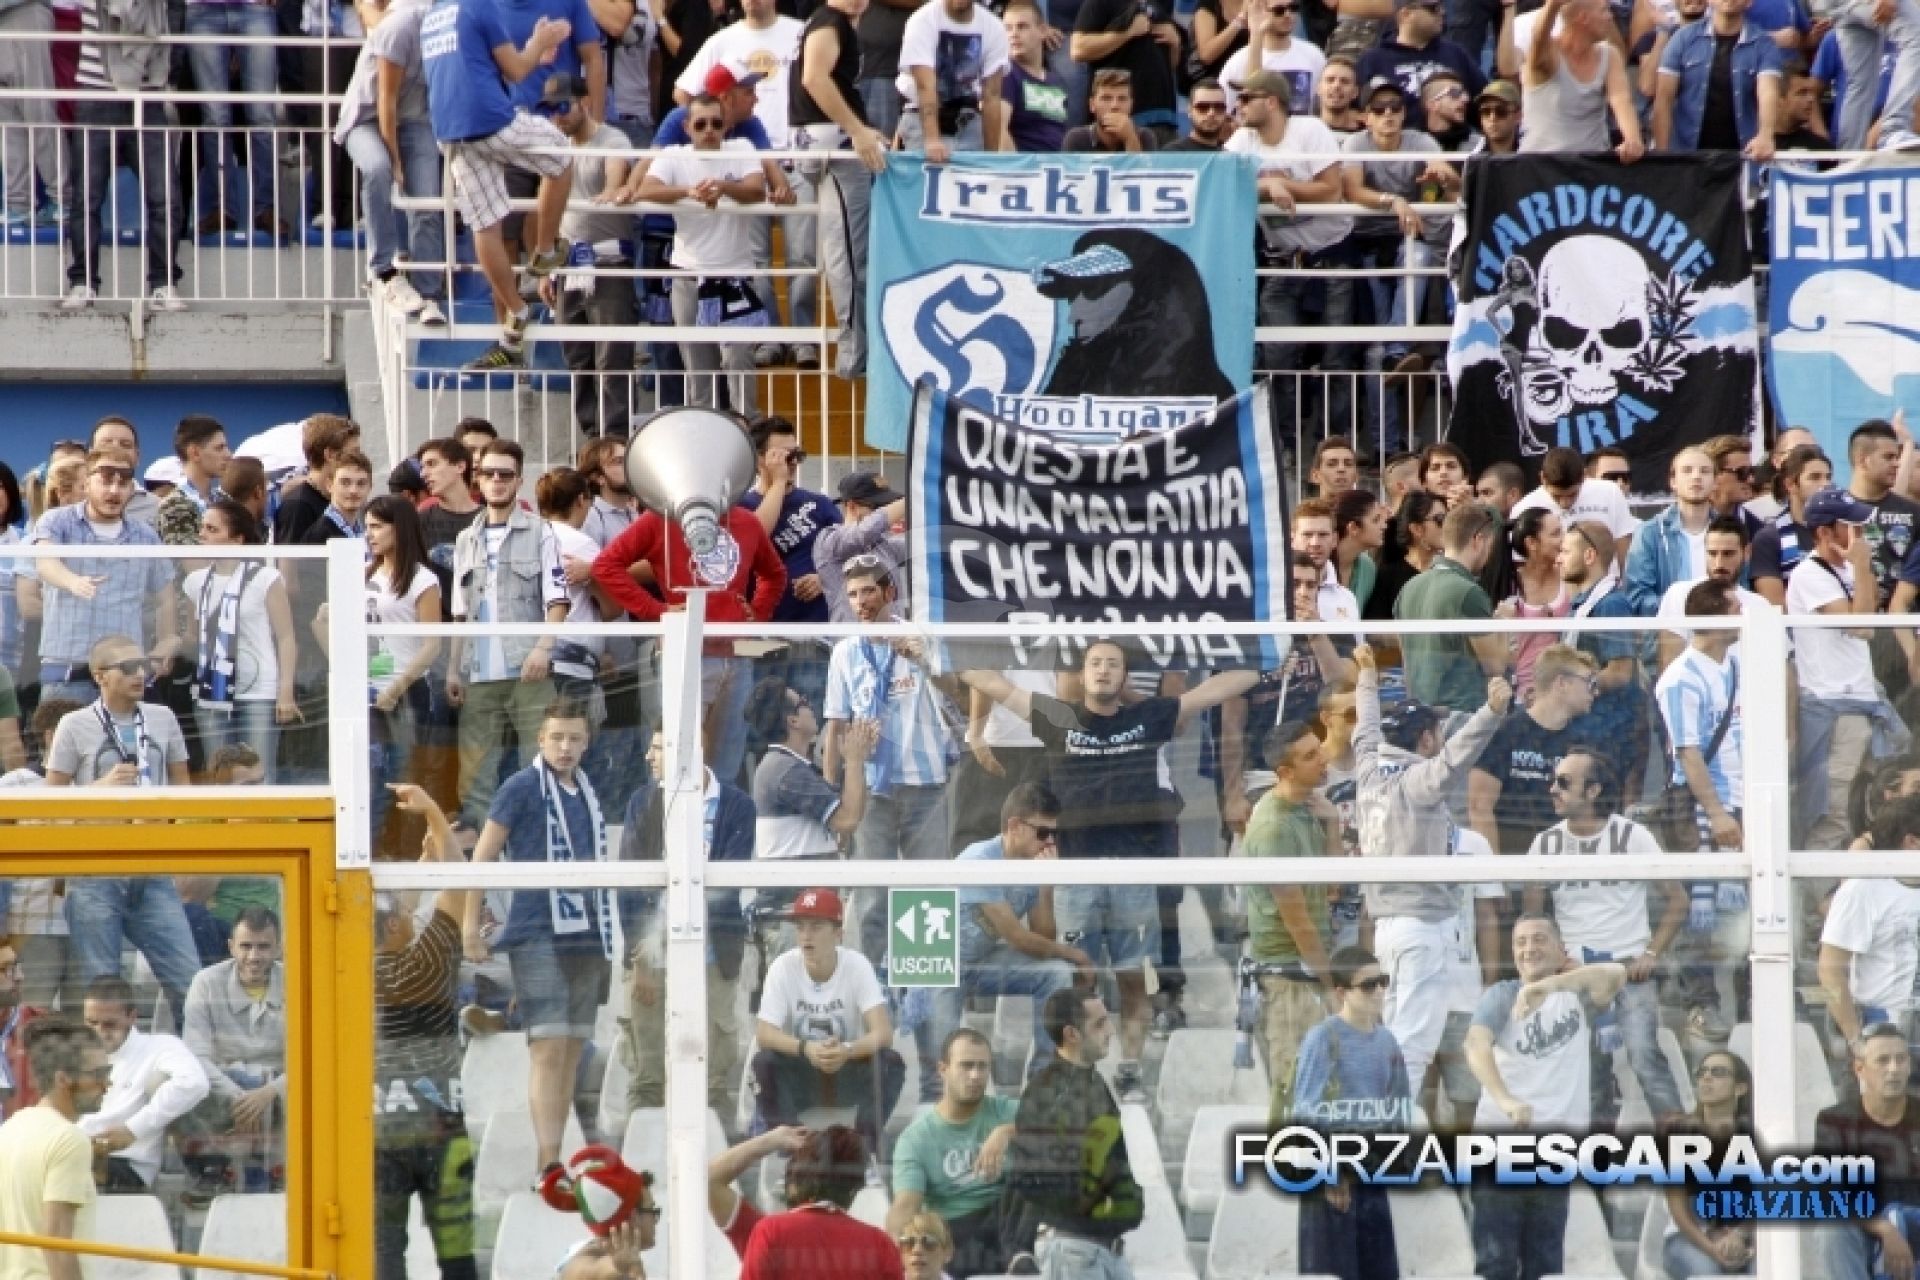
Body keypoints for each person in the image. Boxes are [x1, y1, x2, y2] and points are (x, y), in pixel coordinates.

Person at [957, 646, 1259, 1102]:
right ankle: (1075, 1072)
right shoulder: (1058, 718)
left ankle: (1130, 1072)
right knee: (1075, 983)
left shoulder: (1149, 716)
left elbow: (1219, 688)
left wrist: (1267, 654)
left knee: (1133, 980)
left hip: (1132, 875)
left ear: (1124, 678)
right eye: (1095, 663)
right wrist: (936, 650)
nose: (1103, 670)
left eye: (1113, 664)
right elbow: (993, 682)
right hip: (1075, 875)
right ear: (1081, 674)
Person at [1353, 642, 1512, 1094]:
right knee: (1414, 1045)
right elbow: (1456, 757)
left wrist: (1367, 678)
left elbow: (1365, 730)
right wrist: (1491, 712)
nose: (1440, 739)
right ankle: (1391, 1127)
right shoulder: (1417, 782)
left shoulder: (1368, 772)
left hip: (1388, 931)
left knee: (1395, 1035)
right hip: (1420, 930)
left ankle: (1382, 1119)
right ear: (1424, 739)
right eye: (1436, 731)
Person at [462, 700, 610, 1174]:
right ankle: (548, 1165)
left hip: (587, 933)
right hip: (537, 932)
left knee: (571, 1049)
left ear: (586, 742)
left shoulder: (589, 791)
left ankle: (557, 1158)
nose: (565, 747)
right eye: (556, 738)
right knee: (547, 1047)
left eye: (574, 738)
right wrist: (470, 923)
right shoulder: (521, 786)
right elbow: (483, 855)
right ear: (541, 739)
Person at [1524, 748, 1687, 1127]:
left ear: (1594, 790)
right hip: (1576, 973)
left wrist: (1651, 954)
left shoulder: (1633, 836)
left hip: (1630, 970)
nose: (1553, 789)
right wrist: (1557, 963)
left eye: (1564, 782)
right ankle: (1598, 1156)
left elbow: (1678, 900)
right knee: (1588, 1072)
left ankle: (1682, 1149)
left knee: (1645, 1059)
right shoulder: (1545, 843)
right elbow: (1533, 920)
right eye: (1553, 780)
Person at [592, 480, 785, 788]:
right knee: (675, 756)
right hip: (685, 653)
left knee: (723, 763)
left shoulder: (745, 521)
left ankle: (712, 816)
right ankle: (667, 817)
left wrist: (757, 615)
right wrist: (659, 611)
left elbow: (774, 575)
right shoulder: (660, 519)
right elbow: (605, 566)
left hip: (734, 655)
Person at [1466, 916, 1627, 1280]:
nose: (1528, 949)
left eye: (1539, 939)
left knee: (1545, 1264)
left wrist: (1550, 985)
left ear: (1559, 949)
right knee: (1496, 1265)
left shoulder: (1577, 995)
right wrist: (1506, 1101)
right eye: (1520, 942)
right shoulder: (1502, 994)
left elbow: (1616, 974)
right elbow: (1475, 1045)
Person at [420, 0, 577, 371]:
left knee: (485, 224)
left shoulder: (432, 16)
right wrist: (539, 43)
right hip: (489, 118)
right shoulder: (480, 5)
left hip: (450, 131)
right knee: (562, 156)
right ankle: (545, 250)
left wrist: (533, 53)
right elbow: (517, 71)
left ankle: (516, 314)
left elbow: (476, 70)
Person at [822, 560, 959, 975]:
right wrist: (832, 795)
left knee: (927, 894)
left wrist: (923, 661)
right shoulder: (846, 651)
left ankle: (924, 988)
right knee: (872, 897)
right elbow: (836, 726)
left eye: (868, 591)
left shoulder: (919, 637)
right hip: (870, 790)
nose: (860, 602)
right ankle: (871, 986)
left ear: (889, 592)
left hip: (926, 784)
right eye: (852, 594)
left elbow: (957, 693)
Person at [617, 736, 752, 1119]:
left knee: (713, 1083)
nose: (649, 755)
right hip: (649, 959)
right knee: (647, 1080)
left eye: (659, 747)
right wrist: (642, 958)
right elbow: (630, 886)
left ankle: (717, 1158)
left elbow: (725, 889)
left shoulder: (737, 806)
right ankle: (643, 1158)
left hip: (713, 958)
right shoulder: (644, 801)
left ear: (689, 749)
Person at [373, 784, 477, 1280]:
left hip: (378, 1137)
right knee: (458, 1261)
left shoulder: (350, 975)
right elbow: (457, 884)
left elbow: (397, 915)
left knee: (384, 1259)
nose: (410, 910)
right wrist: (434, 813)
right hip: (443, 1134)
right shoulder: (428, 964)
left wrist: (420, 866)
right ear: (396, 925)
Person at [447, 440, 570, 828]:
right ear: (477, 479)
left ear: (519, 480)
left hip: (527, 669)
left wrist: (543, 649)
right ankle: (483, 853)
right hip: (479, 671)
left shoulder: (541, 532)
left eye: (505, 474)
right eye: (489, 473)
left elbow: (558, 600)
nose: (497, 481)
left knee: (539, 766)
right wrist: (453, 669)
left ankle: (535, 846)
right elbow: (459, 612)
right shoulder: (466, 539)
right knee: (474, 776)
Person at [1227, 68, 1355, 432]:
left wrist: (1286, 185)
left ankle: (1335, 443)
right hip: (1282, 257)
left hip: (1332, 253)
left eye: (1246, 98)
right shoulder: (1242, 138)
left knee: (1336, 355)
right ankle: (1282, 442)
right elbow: (1224, 186)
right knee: (1279, 355)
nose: (1239, 105)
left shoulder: (1310, 130)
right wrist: (1269, 187)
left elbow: (1331, 190)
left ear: (1271, 102)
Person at [931, 783, 1086, 1081]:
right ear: (1014, 826)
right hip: (940, 963)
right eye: (1043, 832)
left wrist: (1045, 884)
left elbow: (1043, 937)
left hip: (981, 961)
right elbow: (1019, 938)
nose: (1049, 842)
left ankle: (1044, 1078)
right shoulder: (979, 860)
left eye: (1054, 834)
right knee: (941, 1067)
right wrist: (1075, 954)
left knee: (1055, 973)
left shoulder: (1030, 864)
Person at [633, 94, 773, 414]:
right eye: (701, 124)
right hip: (688, 274)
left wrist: (723, 188)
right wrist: (688, 192)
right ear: (687, 127)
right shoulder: (674, 156)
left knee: (738, 361)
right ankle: (706, 428)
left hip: (734, 276)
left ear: (726, 127)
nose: (709, 130)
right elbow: (646, 189)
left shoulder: (742, 149)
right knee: (698, 368)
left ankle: (746, 428)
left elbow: (756, 190)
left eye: (716, 123)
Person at [1790, 487, 1908, 849]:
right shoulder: (1808, 574)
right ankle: (1821, 880)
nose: (1862, 533)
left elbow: (1866, 621)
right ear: (1825, 532)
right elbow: (1859, 625)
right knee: (1835, 807)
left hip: (1864, 700)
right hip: (1833, 707)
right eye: (1852, 526)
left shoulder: (1849, 570)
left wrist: (1860, 569)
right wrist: (1861, 566)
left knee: (1870, 802)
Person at [1000, 989, 1143, 1277]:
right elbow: (1030, 1179)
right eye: (1099, 1024)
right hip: (1074, 1250)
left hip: (1104, 1251)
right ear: (1071, 1034)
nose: (1110, 1031)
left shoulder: (1093, 1083)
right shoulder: (1048, 1092)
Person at [1289, 946, 1412, 1280]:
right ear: (1342, 992)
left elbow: (1399, 1107)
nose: (1379, 991)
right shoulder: (1323, 1038)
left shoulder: (1387, 1042)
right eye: (1368, 985)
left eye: (1383, 981)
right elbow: (1305, 1112)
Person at [749, 889, 904, 1153]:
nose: (806, 936)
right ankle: (794, 1143)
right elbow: (765, 1033)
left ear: (838, 933)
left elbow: (883, 1032)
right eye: (800, 927)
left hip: (844, 1071)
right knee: (763, 1063)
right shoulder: (783, 967)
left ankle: (864, 1143)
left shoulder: (856, 965)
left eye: (816, 926)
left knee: (890, 1062)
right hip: (803, 1072)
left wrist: (847, 1050)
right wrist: (806, 1048)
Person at [1242, 720, 1338, 1121]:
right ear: (1285, 771)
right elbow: (1297, 921)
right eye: (1310, 756)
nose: (1324, 759)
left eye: (1320, 748)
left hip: (1307, 967)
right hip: (1288, 977)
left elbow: (1333, 889)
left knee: (1322, 1090)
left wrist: (1333, 822)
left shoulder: (1305, 808)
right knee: (1295, 1088)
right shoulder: (1274, 827)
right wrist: (1331, 985)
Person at [31, 448, 178, 707]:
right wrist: (73, 581)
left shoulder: (145, 535)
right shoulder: (57, 521)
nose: (114, 491)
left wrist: (167, 640)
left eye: (123, 483)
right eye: (106, 481)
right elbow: (46, 563)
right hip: (68, 673)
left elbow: (166, 595)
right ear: (86, 483)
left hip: (125, 674)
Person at [61, 0, 181, 314]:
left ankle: (163, 283)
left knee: (165, 197)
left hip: (148, 95)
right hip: (96, 91)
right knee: (86, 197)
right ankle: (83, 282)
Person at [535, 73, 637, 441]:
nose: (557, 116)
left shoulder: (613, 139)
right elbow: (546, 210)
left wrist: (612, 189)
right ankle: (593, 439)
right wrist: (546, 267)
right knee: (578, 356)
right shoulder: (556, 147)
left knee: (612, 357)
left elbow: (615, 171)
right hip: (568, 262)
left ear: (586, 103)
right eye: (550, 109)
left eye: (563, 106)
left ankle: (615, 440)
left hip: (609, 263)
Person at [792, 0, 890, 377]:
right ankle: (854, 355)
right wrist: (857, 130)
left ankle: (854, 350)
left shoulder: (828, 21)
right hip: (833, 146)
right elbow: (814, 78)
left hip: (823, 140)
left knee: (844, 250)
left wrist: (863, 129)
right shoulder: (830, 20)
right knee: (850, 255)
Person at [337, 0, 448, 326]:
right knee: (378, 168)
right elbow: (385, 100)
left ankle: (429, 294)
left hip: (415, 120)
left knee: (427, 203)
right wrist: (396, 160)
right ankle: (384, 270)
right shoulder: (401, 25)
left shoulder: (453, 28)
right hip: (367, 118)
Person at [182, 501, 299, 781]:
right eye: (202, 528)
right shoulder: (196, 582)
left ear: (237, 539)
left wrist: (285, 691)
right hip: (212, 689)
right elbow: (193, 636)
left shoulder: (265, 578)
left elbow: (286, 637)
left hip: (258, 690)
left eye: (212, 529)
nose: (202, 535)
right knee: (219, 774)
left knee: (260, 773)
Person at [887, 1028, 1020, 1275]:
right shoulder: (916, 1139)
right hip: (957, 1231)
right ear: (943, 1069)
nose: (975, 1075)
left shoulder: (1007, 1112)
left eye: (982, 1067)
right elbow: (906, 1204)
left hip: (1008, 1220)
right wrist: (895, 1256)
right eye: (966, 1066)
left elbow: (1072, 1126)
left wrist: (1006, 1132)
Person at [178, 907, 288, 1200]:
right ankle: (210, 1172)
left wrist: (270, 1091)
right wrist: (239, 1097)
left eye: (263, 947)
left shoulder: (300, 980)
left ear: (279, 948)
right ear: (231, 946)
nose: (254, 956)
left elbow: (317, 1056)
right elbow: (195, 1056)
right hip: (224, 1087)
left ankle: (288, 1170)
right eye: (246, 946)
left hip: (282, 1088)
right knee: (166, 1081)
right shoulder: (206, 982)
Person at [76, 976, 208, 1191]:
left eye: (109, 1024)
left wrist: (132, 1130)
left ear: (132, 1017)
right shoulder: (75, 1054)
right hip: (75, 1153)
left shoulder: (159, 1047)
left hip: (125, 1163)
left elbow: (194, 1084)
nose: (99, 1031)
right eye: (92, 1023)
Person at [0, 1019, 106, 1280]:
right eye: (99, 1074)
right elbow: (57, 1241)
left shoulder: (10, 1129)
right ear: (62, 1079)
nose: (107, 1084)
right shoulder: (69, 1140)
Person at [1469, 643, 1598, 855]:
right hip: (1512, 858)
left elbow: (1587, 812)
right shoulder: (1506, 732)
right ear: (1562, 683)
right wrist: (1494, 872)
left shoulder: (1582, 744)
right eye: (1589, 682)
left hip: (1560, 861)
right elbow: (1480, 807)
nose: (1595, 691)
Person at [1817, 1024, 1920, 1280]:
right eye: (1883, 1060)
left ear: (1909, 1066)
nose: (1893, 1069)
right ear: (1860, 1069)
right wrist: (1885, 1228)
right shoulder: (1834, 1120)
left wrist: (1901, 1222)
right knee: (1831, 1228)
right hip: (1866, 1225)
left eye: (1900, 1060)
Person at [1817, 795, 1920, 1051]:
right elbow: (1829, 971)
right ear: (1912, 842)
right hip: (1885, 1025)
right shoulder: (1862, 890)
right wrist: (1855, 1039)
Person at [738, 1125, 905, 1277]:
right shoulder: (878, 1243)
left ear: (797, 1178)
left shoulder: (771, 1231)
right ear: (855, 1186)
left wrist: (770, 1140)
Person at [1396, 501, 1506, 716]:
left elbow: (1408, 665)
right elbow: (1495, 666)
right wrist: (1504, 623)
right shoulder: (1469, 593)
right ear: (1478, 540)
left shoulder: (1408, 588)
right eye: (1490, 544)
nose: (1490, 553)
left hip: (1423, 717)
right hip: (1463, 716)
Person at [1660, 1050, 1756, 1277]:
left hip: (1749, 1237)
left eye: (1718, 1072)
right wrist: (1713, 1249)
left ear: (1740, 1088)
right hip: (1690, 1238)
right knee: (1708, 1272)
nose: (1706, 1077)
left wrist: (1740, 1236)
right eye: (1702, 1072)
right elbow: (1678, 1209)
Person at [1652, 0, 1784, 158]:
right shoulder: (1682, 39)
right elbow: (1663, 99)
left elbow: (1768, 91)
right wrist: (1662, 155)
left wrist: (1765, 136)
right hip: (1687, 156)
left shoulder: (1763, 44)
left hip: (1743, 156)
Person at [1520, 0, 1644, 156]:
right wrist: (1552, 6)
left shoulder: (1609, 55)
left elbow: (1621, 100)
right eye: (1604, 11)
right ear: (1583, 18)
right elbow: (1538, 38)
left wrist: (1632, 140)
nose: (1610, 17)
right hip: (1541, 163)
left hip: (1591, 163)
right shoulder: (1548, 54)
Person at [895, 0, 1011, 158]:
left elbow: (992, 96)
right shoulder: (921, 21)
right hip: (920, 116)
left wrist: (992, 157)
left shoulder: (994, 27)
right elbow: (925, 86)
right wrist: (932, 140)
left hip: (968, 117)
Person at [1070, 0, 1182, 143]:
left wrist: (1175, 43)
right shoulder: (1099, 3)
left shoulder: (1159, 5)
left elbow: (1171, 65)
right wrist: (1128, 33)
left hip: (1165, 118)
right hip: (1122, 120)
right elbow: (1078, 49)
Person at [1512, 446, 1640, 561]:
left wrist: (1626, 580)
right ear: (1542, 479)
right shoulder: (1524, 508)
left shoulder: (1610, 492)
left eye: (1572, 494)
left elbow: (1624, 547)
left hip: (1607, 579)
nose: (1565, 503)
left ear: (1584, 476)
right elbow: (1522, 564)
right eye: (1557, 496)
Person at [814, 473, 907, 619]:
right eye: (878, 507)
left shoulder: (882, 543)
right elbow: (865, 531)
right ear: (852, 506)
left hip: (892, 632)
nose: (888, 511)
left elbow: (919, 543)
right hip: (852, 633)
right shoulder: (830, 539)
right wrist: (908, 501)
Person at [1750, 443, 1832, 605]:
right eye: (1815, 477)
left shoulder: (1841, 532)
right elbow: (1775, 606)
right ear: (1790, 485)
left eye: (1828, 477)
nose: (1825, 484)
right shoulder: (1770, 538)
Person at [1357, 0, 1487, 102]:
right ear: (1406, 14)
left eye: (1441, 6)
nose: (1442, 12)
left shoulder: (1455, 54)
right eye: (1433, 8)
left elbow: (1483, 100)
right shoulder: (1373, 60)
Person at [1222, 0, 1328, 114]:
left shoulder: (1314, 55)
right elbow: (1228, 110)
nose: (1288, 14)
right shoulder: (1238, 61)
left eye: (1293, 7)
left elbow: (1324, 106)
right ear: (1260, 12)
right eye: (1279, 10)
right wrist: (1256, 33)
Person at [1001, 0, 1070, 152]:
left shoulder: (1058, 82)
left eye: (1022, 26)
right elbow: (998, 131)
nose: (1013, 34)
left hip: (1056, 164)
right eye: (1007, 28)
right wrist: (1016, 166)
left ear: (1043, 31)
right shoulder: (1005, 74)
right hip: (1023, 164)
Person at [294, 448, 376, 545]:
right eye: (345, 482)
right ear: (330, 485)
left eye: (361, 483)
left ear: (370, 487)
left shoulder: (364, 531)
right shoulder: (319, 535)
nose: (353, 490)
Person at [1064, 68, 1160, 150]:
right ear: (1092, 105)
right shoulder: (1077, 139)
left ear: (1131, 104)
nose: (1114, 106)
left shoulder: (1144, 136)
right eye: (1106, 98)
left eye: (1122, 99)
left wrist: (1130, 139)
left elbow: (1141, 167)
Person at [1473, 77, 1523, 149]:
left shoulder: (1532, 150)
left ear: (1518, 116)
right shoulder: (1467, 152)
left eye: (1501, 111)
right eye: (1486, 111)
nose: (1492, 118)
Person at [1318, 55, 1364, 130]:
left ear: (1355, 92)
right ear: (1319, 88)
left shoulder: (1369, 135)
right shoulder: (1304, 132)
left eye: (1344, 81)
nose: (1336, 86)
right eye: (1330, 80)